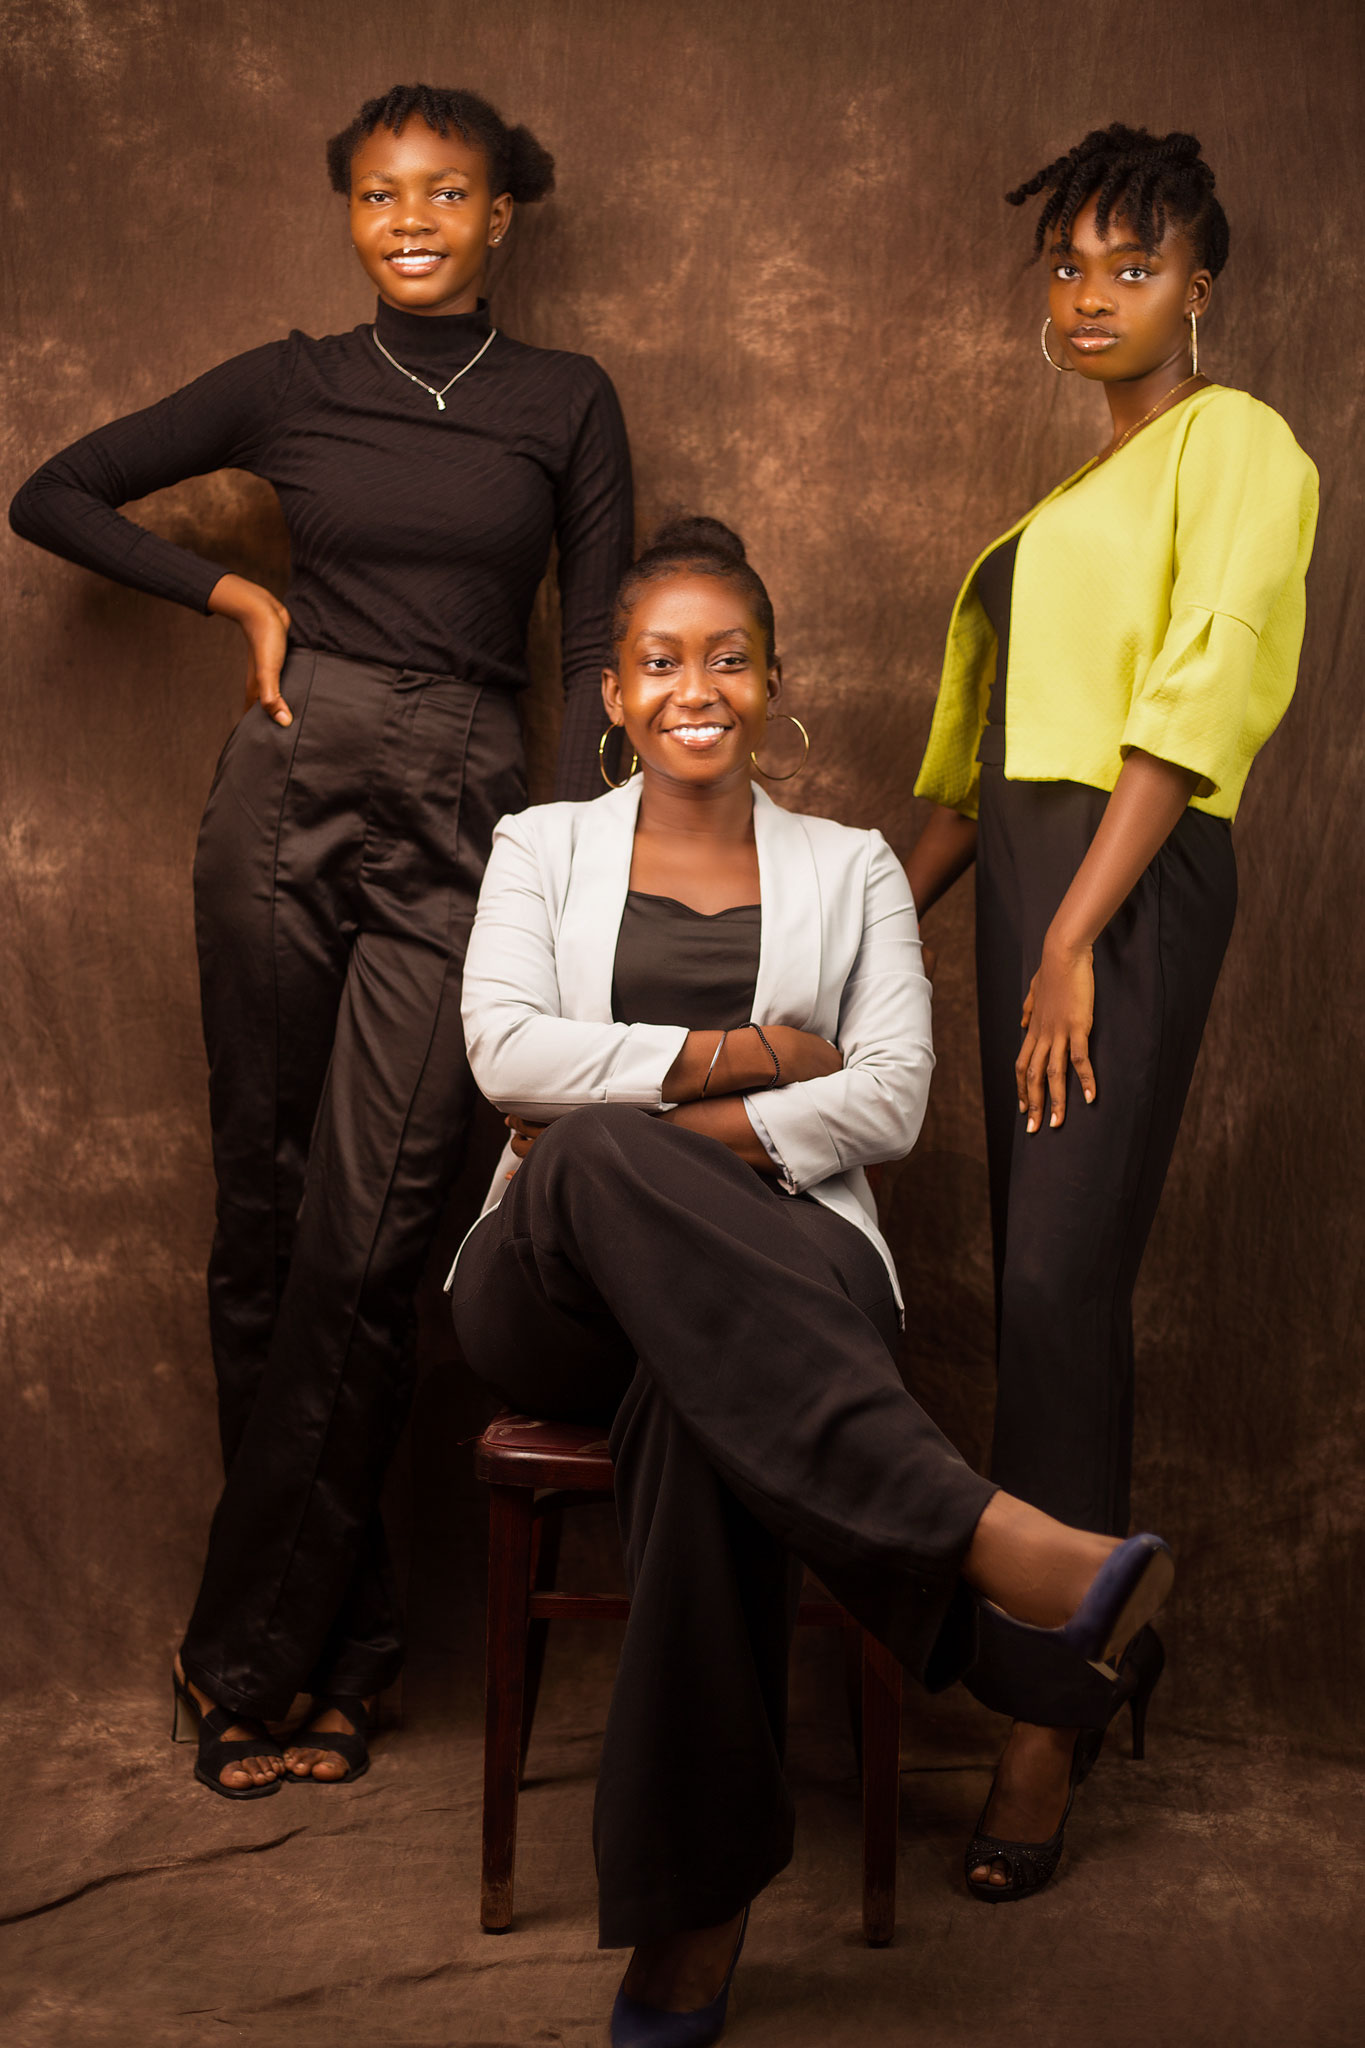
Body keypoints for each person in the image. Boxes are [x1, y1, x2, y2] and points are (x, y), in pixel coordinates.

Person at [449, 516, 1177, 2045]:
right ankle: (970, 1540)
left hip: (786, 1271)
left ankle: (693, 1918)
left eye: (728, 657)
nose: (694, 687)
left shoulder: (852, 871)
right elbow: (504, 1053)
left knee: (695, 1379)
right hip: (548, 1289)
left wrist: (637, 1120)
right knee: (594, 1175)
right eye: (660, 661)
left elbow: (892, 1096)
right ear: (613, 692)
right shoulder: (540, 845)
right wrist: (758, 1054)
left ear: (773, 681)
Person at [8, 82, 633, 1796]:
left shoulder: (566, 399)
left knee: (373, 1242)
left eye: (444, 191)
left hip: (470, 809)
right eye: (378, 193)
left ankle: (234, 1662)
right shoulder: (290, 381)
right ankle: (338, 1656)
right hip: (288, 787)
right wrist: (238, 593)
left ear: (502, 213)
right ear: (350, 214)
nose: (409, 218)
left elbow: (591, 651)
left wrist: (558, 871)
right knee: (268, 1220)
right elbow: (55, 491)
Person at [904, 124, 1318, 1899]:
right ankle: (1080, 1650)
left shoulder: (1238, 443)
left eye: (1129, 268)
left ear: (1195, 287)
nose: (1089, 297)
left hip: (1122, 890)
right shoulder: (1060, 504)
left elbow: (1204, 681)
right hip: (1027, 886)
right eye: (1066, 268)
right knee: (1038, 1289)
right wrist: (848, 924)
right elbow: (972, 767)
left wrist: (1074, 930)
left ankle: (1041, 1720)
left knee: (1057, 1285)